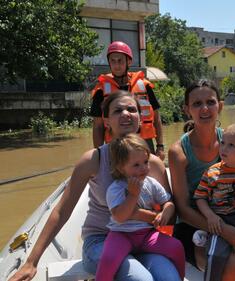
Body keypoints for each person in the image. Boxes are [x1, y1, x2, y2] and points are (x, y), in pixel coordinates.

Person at [9, 91, 180, 281]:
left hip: (142, 239)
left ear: (140, 118)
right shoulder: (93, 160)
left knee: (170, 277)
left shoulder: (154, 164)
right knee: (141, 279)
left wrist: (141, 215)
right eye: (118, 110)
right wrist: (31, 262)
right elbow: (62, 211)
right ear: (106, 121)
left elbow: (169, 213)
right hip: (101, 241)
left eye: (132, 109)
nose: (126, 113)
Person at [168, 79, 235, 281]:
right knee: (232, 262)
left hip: (234, 216)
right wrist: (225, 231)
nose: (205, 108)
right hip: (196, 225)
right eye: (197, 104)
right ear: (187, 109)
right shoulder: (178, 152)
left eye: (210, 102)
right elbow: (182, 209)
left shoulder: (231, 140)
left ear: (221, 105)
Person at [96, 134, 185, 281]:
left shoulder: (151, 183)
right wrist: (133, 195)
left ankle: (180, 277)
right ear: (121, 167)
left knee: (176, 246)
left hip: (146, 235)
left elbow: (168, 202)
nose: (143, 168)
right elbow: (119, 217)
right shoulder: (116, 188)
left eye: (145, 162)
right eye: (136, 165)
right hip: (121, 235)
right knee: (109, 259)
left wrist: (166, 212)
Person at [194, 123, 235, 281]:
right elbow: (200, 197)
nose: (223, 148)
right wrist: (210, 216)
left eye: (231, 145)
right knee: (214, 256)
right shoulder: (212, 173)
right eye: (223, 142)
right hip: (220, 222)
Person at [90, 41, 165, 160]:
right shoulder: (101, 90)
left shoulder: (144, 86)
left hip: (144, 141)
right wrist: (99, 155)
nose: (116, 65)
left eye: (120, 60)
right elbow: (98, 126)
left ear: (128, 62)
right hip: (115, 144)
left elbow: (156, 118)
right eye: (112, 61)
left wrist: (160, 146)